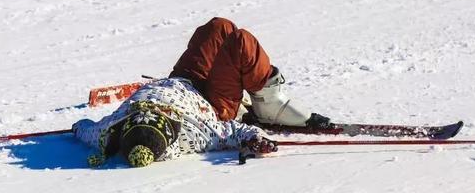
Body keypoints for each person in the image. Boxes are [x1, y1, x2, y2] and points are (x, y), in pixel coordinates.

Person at [73, 17, 331, 167]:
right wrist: (255, 139)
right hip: (213, 102)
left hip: (183, 81)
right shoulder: (192, 134)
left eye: (140, 117)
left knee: (219, 27)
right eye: (157, 118)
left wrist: (77, 127)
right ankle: (270, 105)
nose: (149, 112)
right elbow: (233, 132)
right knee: (241, 42)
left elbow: (85, 128)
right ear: (169, 127)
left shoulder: (110, 130)